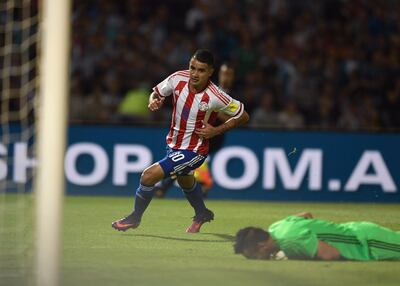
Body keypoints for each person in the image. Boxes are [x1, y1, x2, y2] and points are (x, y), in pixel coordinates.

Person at [112, 50, 249, 233]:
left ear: (210, 72)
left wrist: (216, 130)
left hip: (195, 150)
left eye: (201, 70)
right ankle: (202, 212)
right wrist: (154, 101)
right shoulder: (178, 78)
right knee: (185, 180)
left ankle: (134, 218)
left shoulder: (216, 95)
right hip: (174, 145)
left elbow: (243, 116)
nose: (194, 74)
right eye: (192, 68)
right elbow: (156, 93)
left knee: (148, 176)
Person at [154, 62, 236, 198]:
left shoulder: (234, 96)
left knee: (187, 161)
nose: (226, 77)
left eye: (229, 74)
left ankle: (166, 185)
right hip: (196, 134)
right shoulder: (211, 89)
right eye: (223, 73)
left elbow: (237, 117)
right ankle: (199, 187)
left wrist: (215, 112)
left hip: (215, 136)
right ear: (219, 74)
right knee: (187, 163)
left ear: (233, 77)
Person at [234, 212, 400, 261]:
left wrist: (297, 253)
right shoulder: (277, 227)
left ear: (261, 247)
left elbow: (331, 254)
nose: (257, 260)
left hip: (367, 243)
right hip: (358, 230)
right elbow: (306, 215)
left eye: (253, 256)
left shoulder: (291, 241)